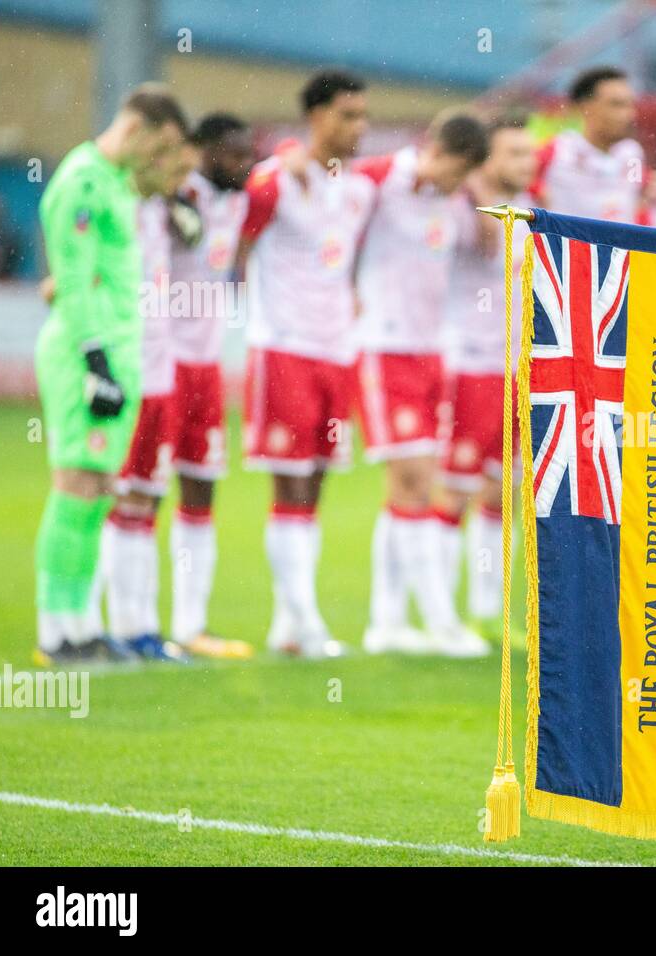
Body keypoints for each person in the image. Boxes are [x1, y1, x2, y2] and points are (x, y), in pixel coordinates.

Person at [33, 84, 187, 664]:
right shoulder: (81, 179)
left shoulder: (120, 184)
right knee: (74, 486)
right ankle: (56, 630)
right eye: (161, 147)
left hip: (121, 355)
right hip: (84, 353)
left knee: (98, 492)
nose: (159, 161)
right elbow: (69, 280)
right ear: (139, 128)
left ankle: (80, 623)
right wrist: (94, 358)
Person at [236, 70, 375, 658]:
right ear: (315, 116)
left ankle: (288, 626)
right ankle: (307, 623)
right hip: (285, 348)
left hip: (337, 352)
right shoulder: (272, 183)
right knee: (288, 482)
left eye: (363, 115)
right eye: (347, 115)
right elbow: (232, 245)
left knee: (314, 486)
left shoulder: (362, 190)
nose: (357, 127)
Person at [352, 111, 491, 657]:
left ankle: (385, 621)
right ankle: (440, 620)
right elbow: (327, 202)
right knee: (415, 479)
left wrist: (470, 190)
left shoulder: (456, 199)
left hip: (435, 352)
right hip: (386, 348)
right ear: (435, 148)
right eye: (454, 172)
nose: (454, 186)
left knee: (405, 491)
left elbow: (479, 246)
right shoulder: (380, 178)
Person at [91, 135, 201, 662]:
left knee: (145, 500)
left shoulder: (168, 210)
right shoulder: (116, 203)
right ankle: (81, 627)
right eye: (179, 164)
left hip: (162, 374)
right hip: (125, 371)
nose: (186, 175)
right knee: (104, 496)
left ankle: (139, 628)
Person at [430, 112, 536, 634]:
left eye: (529, 152)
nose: (527, 162)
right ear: (486, 158)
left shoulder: (533, 210)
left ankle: (489, 613)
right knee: (452, 489)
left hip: (517, 367)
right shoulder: (458, 207)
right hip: (468, 362)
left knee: (503, 493)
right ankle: (439, 613)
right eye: (514, 153)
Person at [167, 113, 256, 659]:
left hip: (205, 367)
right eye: (231, 153)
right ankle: (123, 623)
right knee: (138, 492)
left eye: (248, 154)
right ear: (201, 151)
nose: (242, 164)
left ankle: (190, 624)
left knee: (202, 487)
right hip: (159, 363)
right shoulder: (173, 193)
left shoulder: (238, 198)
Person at [529, 66, 644, 223]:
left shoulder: (632, 153)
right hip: (570, 246)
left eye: (631, 105)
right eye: (617, 105)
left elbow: (646, 190)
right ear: (585, 107)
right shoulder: (559, 150)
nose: (630, 114)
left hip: (619, 247)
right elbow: (508, 178)